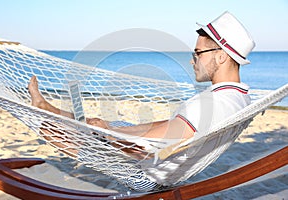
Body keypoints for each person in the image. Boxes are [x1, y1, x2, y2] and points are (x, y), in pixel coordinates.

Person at [28, 11, 255, 191]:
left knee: (52, 131)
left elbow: (153, 145)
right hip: (165, 166)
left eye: (198, 53)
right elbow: (174, 125)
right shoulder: (239, 97)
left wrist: (108, 137)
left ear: (221, 55)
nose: (192, 60)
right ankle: (45, 106)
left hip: (147, 176)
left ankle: (44, 112)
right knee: (98, 122)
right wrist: (113, 128)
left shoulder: (214, 104)